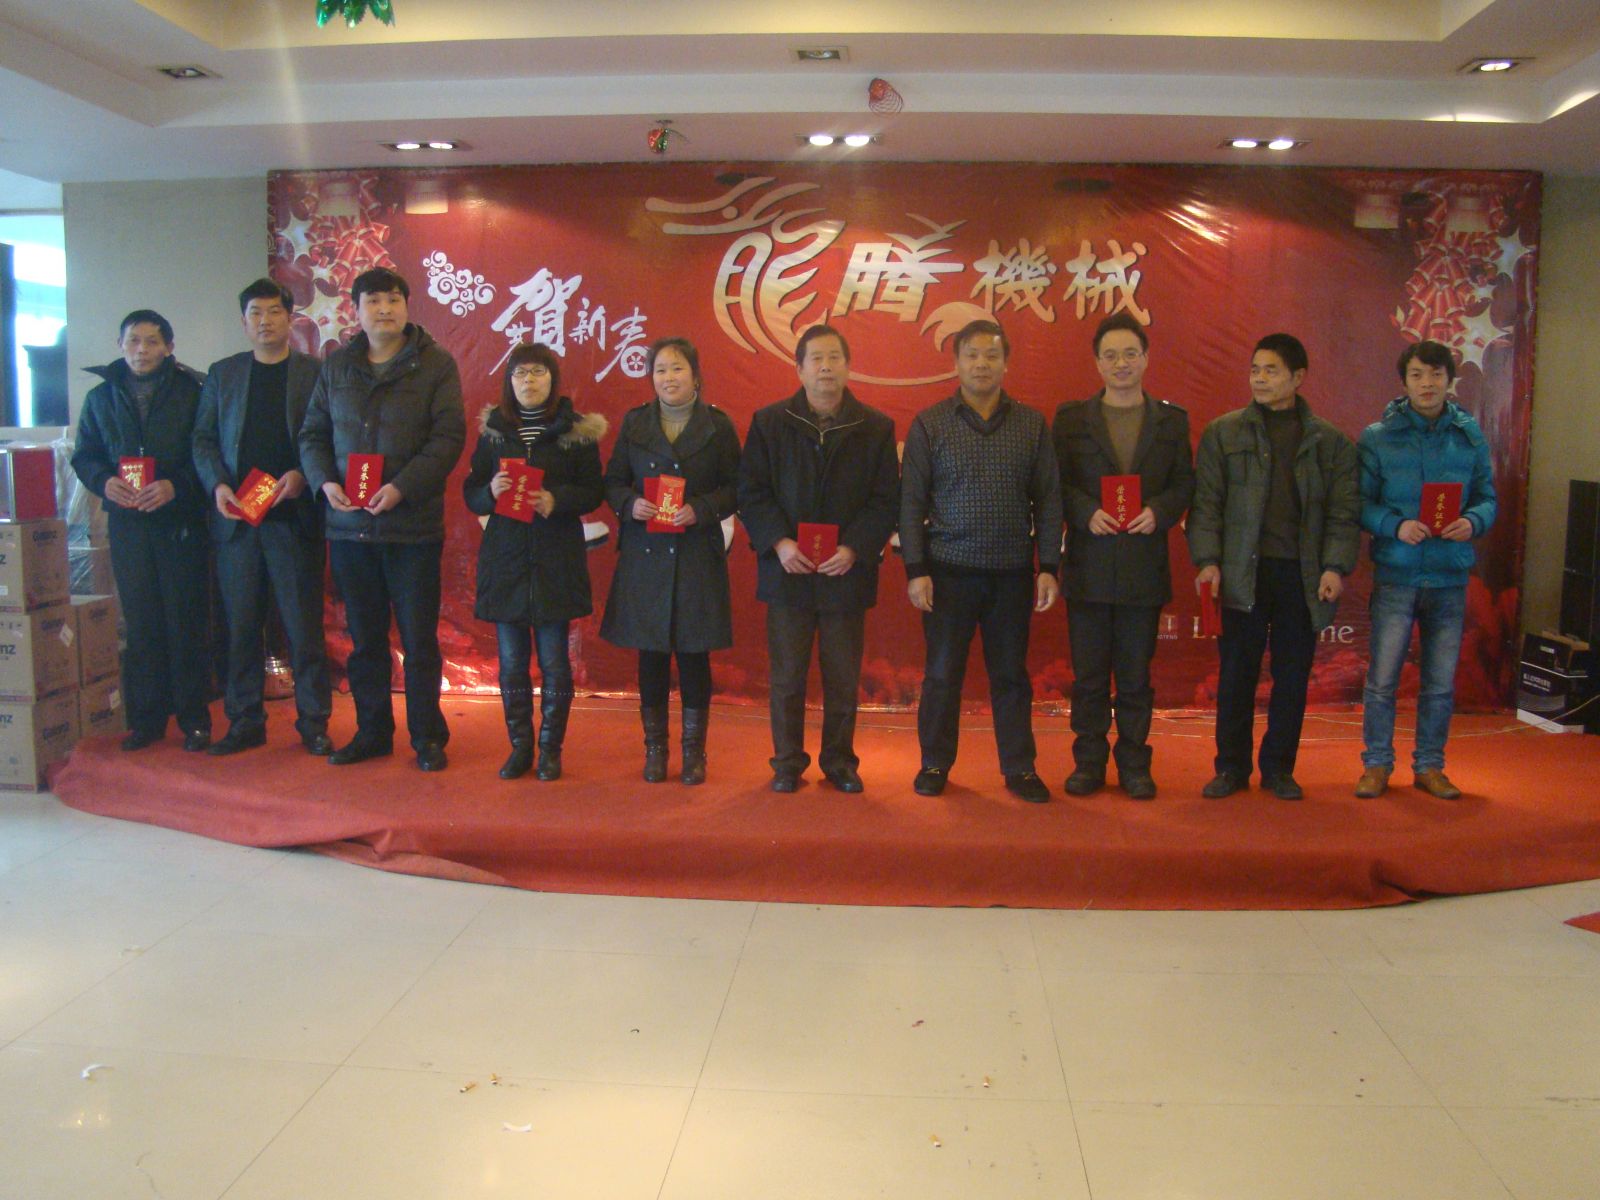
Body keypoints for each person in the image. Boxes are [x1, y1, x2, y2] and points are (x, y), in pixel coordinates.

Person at [298, 267, 465, 771]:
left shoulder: (435, 364)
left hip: (411, 529)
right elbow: (313, 434)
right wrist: (324, 483)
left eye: (392, 299)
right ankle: (372, 732)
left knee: (418, 641)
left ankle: (427, 737)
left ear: (407, 306)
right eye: (373, 301)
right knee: (365, 640)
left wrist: (400, 488)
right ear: (356, 310)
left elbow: (448, 439)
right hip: (350, 528)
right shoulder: (337, 366)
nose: (384, 309)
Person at [1188, 332, 1360, 800]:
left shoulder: (1330, 443)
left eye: (1271, 371)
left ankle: (1279, 768)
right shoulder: (1224, 433)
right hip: (1241, 572)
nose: (1260, 379)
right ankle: (1230, 768)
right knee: (1236, 674)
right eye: (1255, 370)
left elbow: (1343, 514)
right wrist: (1208, 561)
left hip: (1302, 577)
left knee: (1292, 676)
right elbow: (1206, 505)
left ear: (1298, 377)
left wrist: (1334, 567)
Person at [899, 318, 1062, 803]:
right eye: (971, 355)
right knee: (942, 675)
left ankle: (1020, 768)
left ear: (1006, 363)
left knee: (1011, 676)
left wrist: (1049, 565)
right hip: (947, 572)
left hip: (1012, 574)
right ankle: (934, 763)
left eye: (991, 355)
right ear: (955, 363)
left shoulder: (1031, 425)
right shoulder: (930, 423)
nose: (981, 364)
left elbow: (1049, 500)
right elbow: (911, 502)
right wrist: (915, 569)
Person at [737, 324, 900, 793]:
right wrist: (779, 543)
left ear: (848, 367)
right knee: (787, 677)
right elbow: (752, 492)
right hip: (787, 570)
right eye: (816, 359)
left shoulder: (875, 427)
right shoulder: (770, 423)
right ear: (800, 369)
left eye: (834, 358)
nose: (826, 367)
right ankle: (787, 762)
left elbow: (886, 500)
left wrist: (855, 548)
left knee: (843, 678)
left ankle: (839, 762)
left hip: (844, 572)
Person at [1052, 312, 1194, 800]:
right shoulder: (1072, 420)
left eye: (1130, 353)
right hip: (1089, 566)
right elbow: (1055, 484)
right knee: (1089, 677)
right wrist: (1084, 511)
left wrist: (1160, 511)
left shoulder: (1171, 421)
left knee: (1135, 677)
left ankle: (1135, 765)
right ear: (1097, 363)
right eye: (1110, 355)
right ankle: (1088, 763)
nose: (1121, 363)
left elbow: (1184, 483)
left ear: (1146, 358)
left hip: (1142, 567)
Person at [192, 278, 332, 756]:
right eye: (256, 313)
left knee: (303, 628)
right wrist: (218, 485)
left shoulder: (314, 373)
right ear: (243, 321)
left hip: (293, 519)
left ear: (290, 318)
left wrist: (303, 476)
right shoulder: (224, 373)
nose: (265, 321)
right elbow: (203, 439)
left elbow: (330, 437)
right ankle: (245, 720)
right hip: (238, 520)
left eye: (274, 312)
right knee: (241, 628)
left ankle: (314, 721)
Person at [1355, 340, 1497, 800]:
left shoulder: (1469, 436)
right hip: (1397, 574)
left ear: (1450, 380)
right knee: (1382, 680)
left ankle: (1430, 766)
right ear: (1404, 382)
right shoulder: (1378, 437)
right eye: (1417, 375)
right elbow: (1358, 503)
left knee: (1438, 684)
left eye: (1436, 374)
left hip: (1449, 576)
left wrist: (1473, 521)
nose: (1427, 384)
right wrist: (1395, 525)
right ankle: (1377, 764)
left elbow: (1488, 498)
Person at [599, 337, 741, 785]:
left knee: (695, 656)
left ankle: (694, 752)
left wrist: (702, 508)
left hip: (696, 552)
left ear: (695, 376)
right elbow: (613, 481)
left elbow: (738, 487)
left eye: (677, 368)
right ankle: (655, 749)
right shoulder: (635, 422)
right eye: (660, 370)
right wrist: (629, 504)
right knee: (652, 656)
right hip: (647, 555)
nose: (668, 378)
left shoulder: (718, 426)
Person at [463, 343, 606, 781]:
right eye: (521, 373)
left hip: (555, 557)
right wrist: (490, 491)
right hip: (506, 558)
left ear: (552, 379)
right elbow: (471, 492)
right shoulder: (493, 431)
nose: (529, 381)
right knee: (510, 663)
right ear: (509, 381)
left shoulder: (575, 431)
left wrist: (556, 499)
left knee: (554, 663)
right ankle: (520, 747)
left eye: (538, 373)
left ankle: (550, 750)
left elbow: (594, 491)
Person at [72, 310, 213, 752]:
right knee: (141, 622)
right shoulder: (100, 397)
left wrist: (176, 486)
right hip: (128, 523)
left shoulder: (194, 392)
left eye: (152, 341)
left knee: (186, 622)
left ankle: (194, 720)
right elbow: (85, 456)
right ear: (120, 345)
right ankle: (146, 721)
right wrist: (103, 482)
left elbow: (208, 454)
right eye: (133, 341)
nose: (142, 350)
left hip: (180, 522)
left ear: (169, 347)